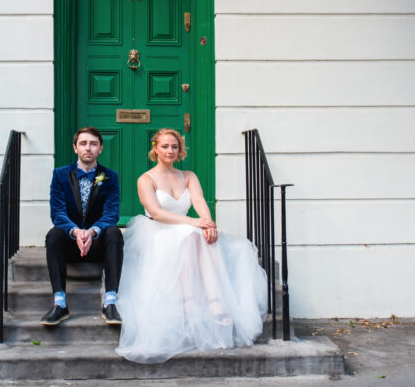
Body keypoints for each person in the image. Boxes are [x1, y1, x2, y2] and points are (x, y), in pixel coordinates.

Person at [115, 128, 269, 363]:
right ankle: (209, 301)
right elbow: (156, 213)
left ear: (180, 150)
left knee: (228, 244)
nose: (170, 151)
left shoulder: (188, 176)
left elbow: (198, 201)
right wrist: (194, 223)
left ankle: (207, 299)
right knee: (191, 235)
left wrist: (208, 223)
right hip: (159, 231)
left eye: (174, 147)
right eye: (165, 146)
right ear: (155, 148)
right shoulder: (146, 179)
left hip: (190, 230)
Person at [42, 126, 124, 326]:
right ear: (75, 148)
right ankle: (60, 304)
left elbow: (111, 214)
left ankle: (110, 302)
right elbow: (58, 213)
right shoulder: (60, 175)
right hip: (71, 243)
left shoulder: (110, 177)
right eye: (83, 143)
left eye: (93, 144)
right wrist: (77, 232)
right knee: (54, 235)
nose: (88, 148)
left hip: (98, 244)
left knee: (114, 232)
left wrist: (93, 232)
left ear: (101, 149)